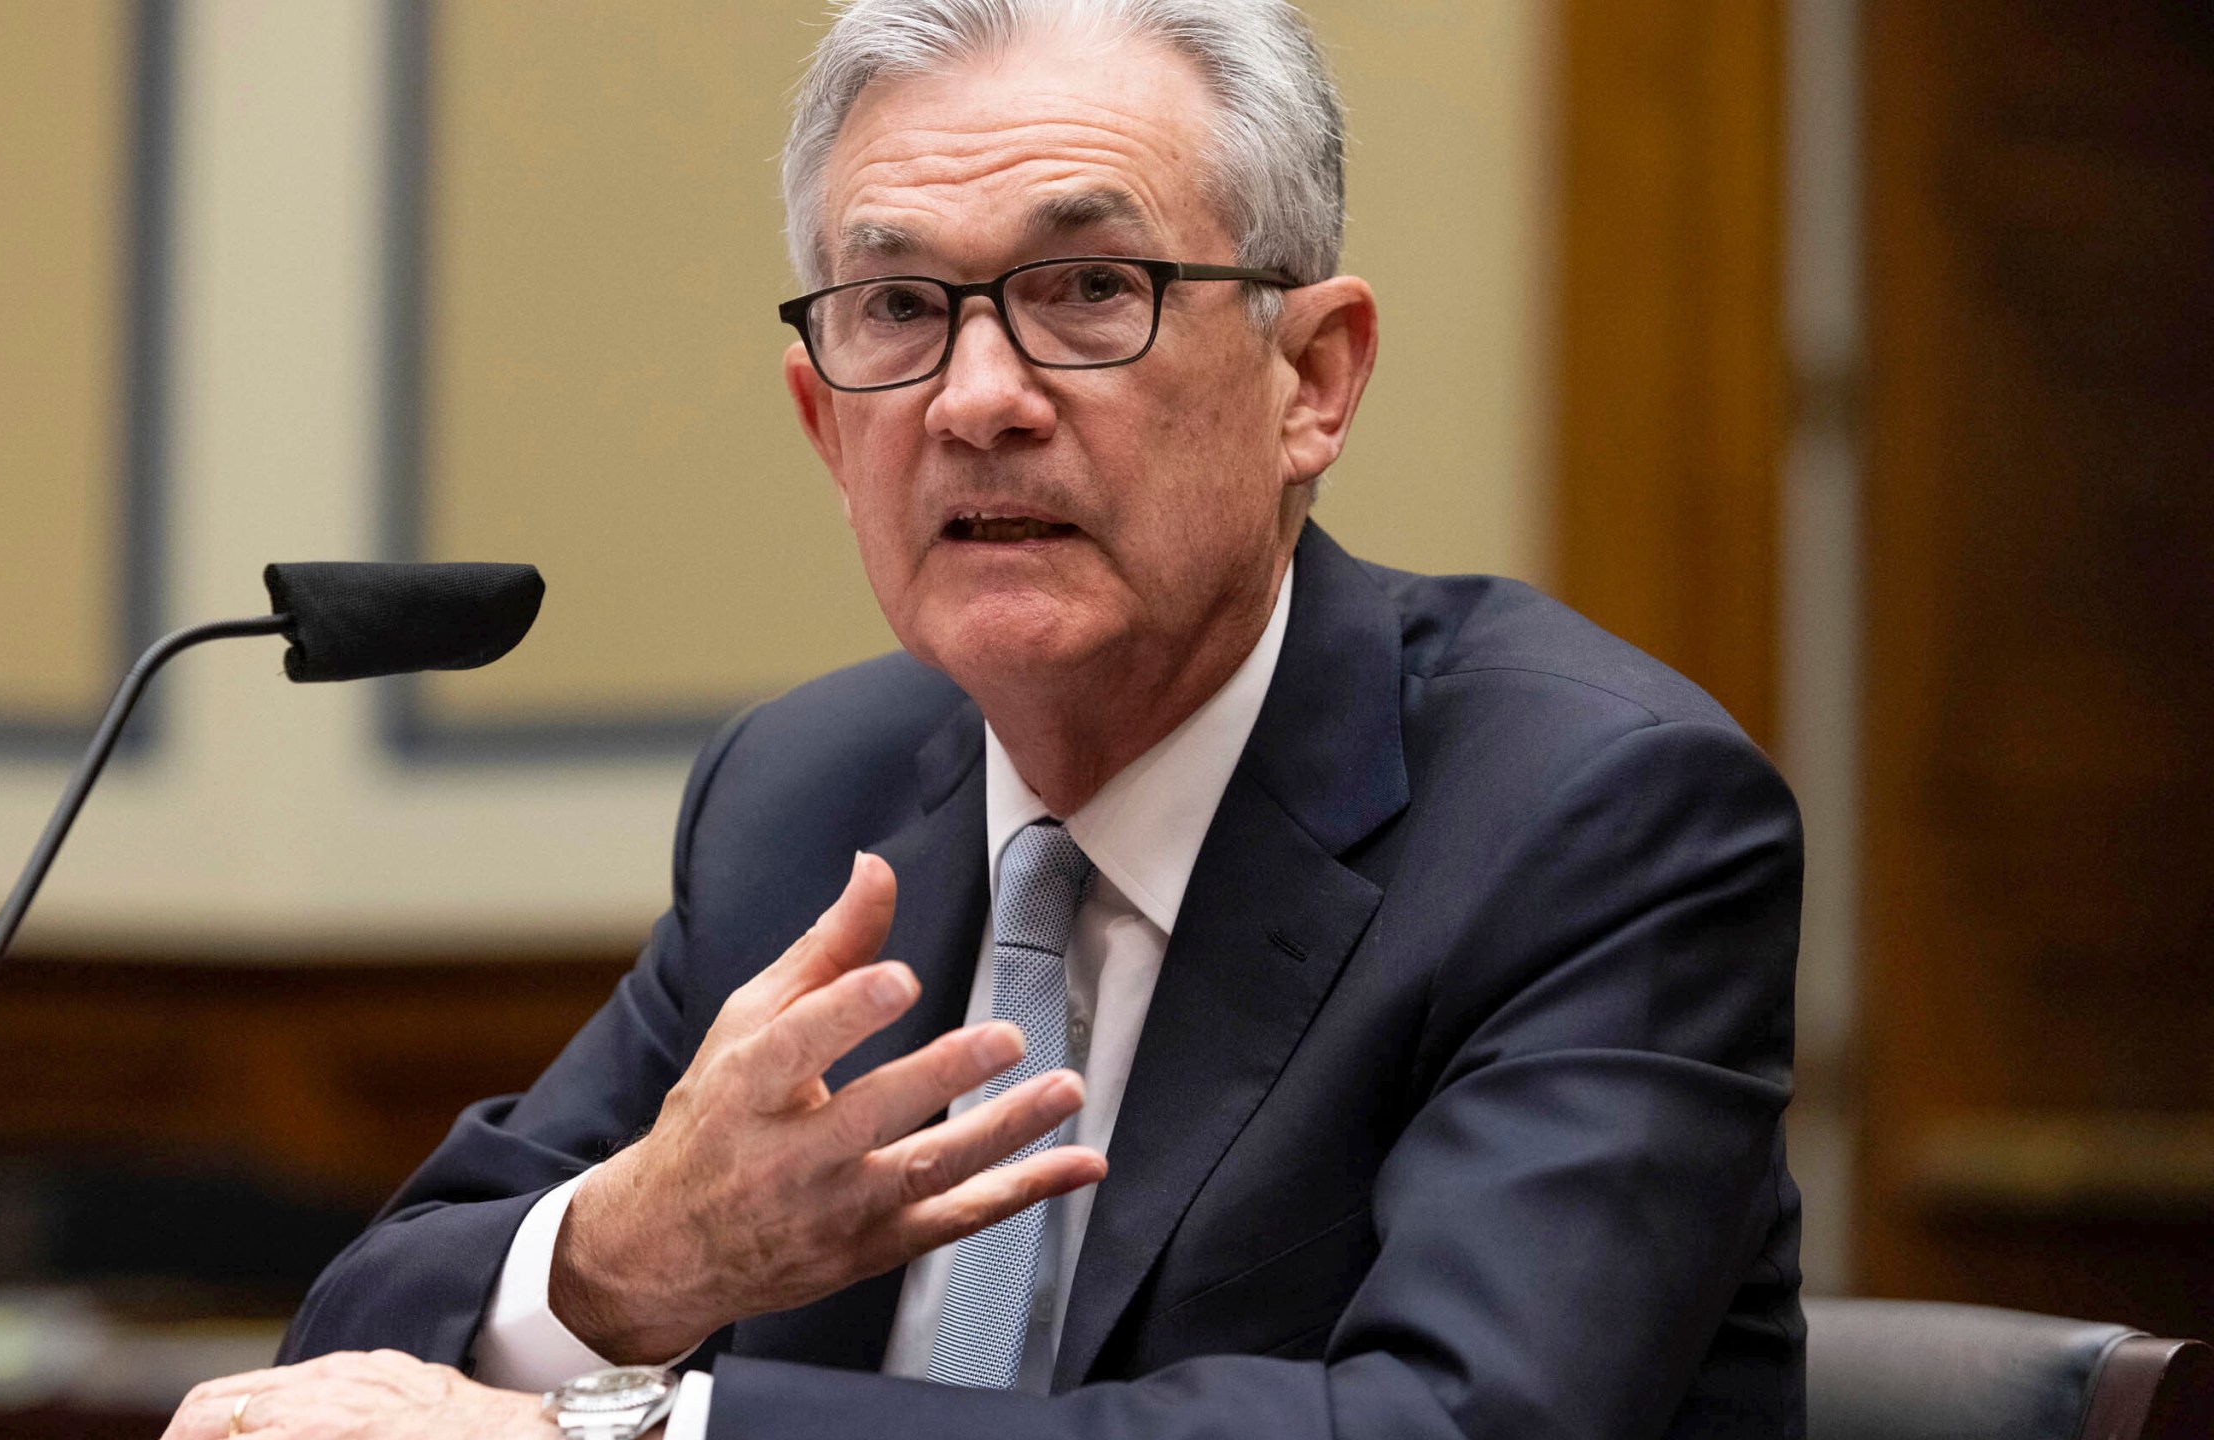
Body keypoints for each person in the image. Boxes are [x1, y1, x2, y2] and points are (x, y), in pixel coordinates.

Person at [164, 1, 1803, 1436]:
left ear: (1313, 376)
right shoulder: (810, 796)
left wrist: (649, 1433)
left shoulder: (1594, 816)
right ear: (823, 425)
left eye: (1090, 287)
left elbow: (1443, 1427)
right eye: (897, 310)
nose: (975, 399)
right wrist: (629, 1258)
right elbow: (349, 1363)